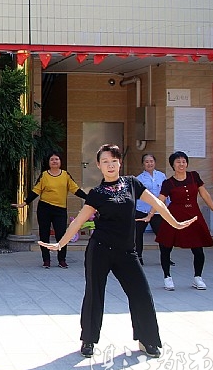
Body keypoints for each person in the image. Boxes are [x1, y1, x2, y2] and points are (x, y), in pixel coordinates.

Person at [39, 144, 196, 359]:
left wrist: (175, 223)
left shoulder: (132, 184)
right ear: (98, 165)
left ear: (120, 162)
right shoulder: (96, 193)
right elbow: (78, 222)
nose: (110, 165)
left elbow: (158, 204)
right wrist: (60, 244)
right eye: (105, 161)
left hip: (126, 251)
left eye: (113, 161)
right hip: (100, 249)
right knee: (94, 294)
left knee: (141, 294)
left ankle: (147, 340)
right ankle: (88, 340)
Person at [156, 151, 213, 291]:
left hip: (194, 216)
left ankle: (198, 278)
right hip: (174, 216)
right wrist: (150, 214)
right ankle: (167, 278)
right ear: (172, 165)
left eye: (184, 161)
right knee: (165, 247)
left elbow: (204, 193)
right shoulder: (168, 183)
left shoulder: (194, 176)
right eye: (178, 162)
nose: (181, 164)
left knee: (198, 249)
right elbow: (160, 200)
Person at [11, 152, 87, 269]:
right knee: (44, 234)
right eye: (52, 159)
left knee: (61, 235)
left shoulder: (65, 175)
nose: (54, 161)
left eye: (57, 159)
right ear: (48, 162)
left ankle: (62, 260)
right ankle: (46, 260)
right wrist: (25, 202)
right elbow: (36, 191)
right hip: (44, 209)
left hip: (60, 210)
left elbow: (75, 189)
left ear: (60, 161)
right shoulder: (44, 175)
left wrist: (88, 198)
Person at [134, 154, 169, 266]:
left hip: (157, 211)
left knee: (162, 235)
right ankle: (138, 257)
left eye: (151, 161)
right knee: (138, 235)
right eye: (147, 162)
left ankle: (165, 258)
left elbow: (166, 193)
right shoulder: (139, 179)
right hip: (142, 210)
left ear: (155, 162)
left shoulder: (161, 176)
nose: (149, 164)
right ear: (143, 164)